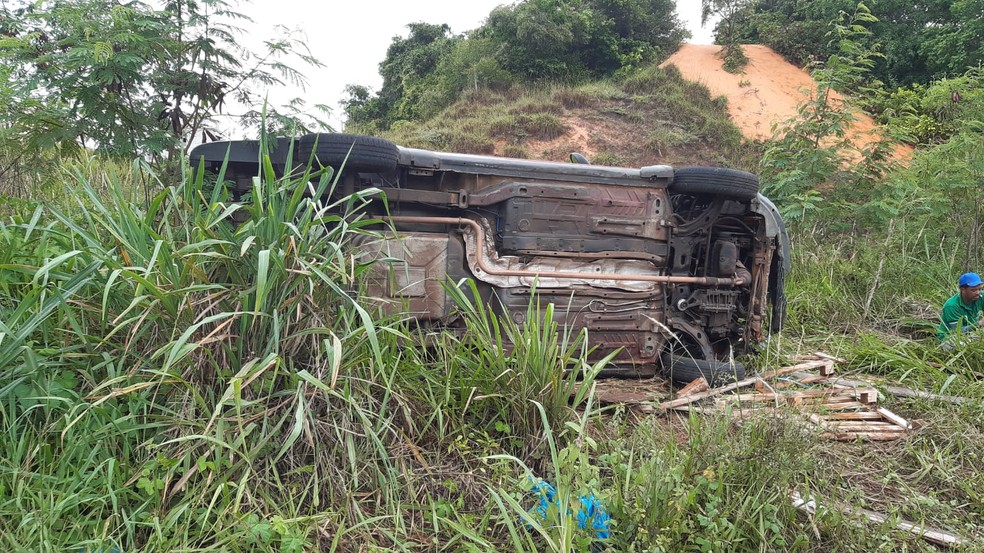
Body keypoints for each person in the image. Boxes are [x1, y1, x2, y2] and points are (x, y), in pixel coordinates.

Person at [937, 272, 984, 347]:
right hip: (951, 336)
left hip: (973, 333)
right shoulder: (951, 306)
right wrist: (979, 324)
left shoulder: (981, 296)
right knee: (958, 345)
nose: (978, 293)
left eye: (980, 289)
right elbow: (958, 331)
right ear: (963, 289)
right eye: (973, 290)